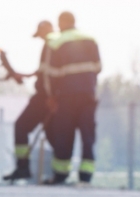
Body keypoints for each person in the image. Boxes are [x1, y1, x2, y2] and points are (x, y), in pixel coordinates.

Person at [41, 11, 101, 185]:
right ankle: (86, 176)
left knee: (64, 135)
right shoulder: (91, 39)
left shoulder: (56, 42)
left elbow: (50, 74)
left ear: (61, 23)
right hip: (88, 95)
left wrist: (51, 96)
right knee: (88, 136)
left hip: (66, 97)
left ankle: (60, 175)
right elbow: (98, 67)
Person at [1, 19, 55, 182]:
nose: (40, 38)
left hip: (45, 97)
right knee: (53, 134)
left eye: (41, 34)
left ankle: (23, 167)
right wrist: (22, 75)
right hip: (49, 96)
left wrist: (51, 96)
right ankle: (58, 173)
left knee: (21, 126)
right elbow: (42, 72)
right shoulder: (52, 45)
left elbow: (48, 75)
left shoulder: (51, 44)